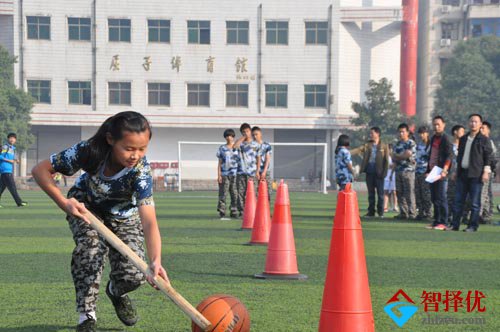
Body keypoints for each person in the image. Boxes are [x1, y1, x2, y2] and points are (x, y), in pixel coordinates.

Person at [31, 111, 169, 331]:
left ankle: (116, 290)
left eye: (142, 149)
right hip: (86, 207)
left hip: (124, 216)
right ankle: (86, 317)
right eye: (129, 148)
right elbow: (40, 170)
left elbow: (149, 221)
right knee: (91, 249)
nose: (135, 155)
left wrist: (156, 260)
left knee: (135, 275)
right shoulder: (89, 151)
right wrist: (63, 203)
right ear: (111, 139)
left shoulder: (141, 172)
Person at [448, 114, 493, 232]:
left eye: (476, 122)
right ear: (468, 123)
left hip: (476, 175)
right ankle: (454, 225)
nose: (473, 123)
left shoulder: (484, 140)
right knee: (458, 201)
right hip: (462, 173)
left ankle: (472, 226)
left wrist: (486, 172)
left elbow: (487, 157)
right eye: (471, 121)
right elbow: (459, 157)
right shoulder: (463, 139)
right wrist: (456, 171)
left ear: (480, 124)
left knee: (474, 203)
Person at [350, 127, 390, 217]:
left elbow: (386, 161)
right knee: (371, 194)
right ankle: (371, 212)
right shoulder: (367, 145)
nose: (370, 135)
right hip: (369, 171)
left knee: (380, 194)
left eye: (372, 133)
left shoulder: (384, 146)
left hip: (379, 173)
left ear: (377, 134)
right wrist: (347, 152)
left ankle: (381, 213)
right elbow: (358, 150)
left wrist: (384, 173)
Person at [424, 116, 453, 230]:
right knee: (434, 198)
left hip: (441, 172)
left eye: (438, 124)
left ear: (443, 125)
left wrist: (445, 170)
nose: (436, 127)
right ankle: (436, 221)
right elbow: (431, 155)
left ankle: (444, 222)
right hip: (432, 172)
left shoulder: (445, 138)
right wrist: (428, 170)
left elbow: (449, 155)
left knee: (441, 197)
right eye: (434, 124)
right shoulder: (433, 138)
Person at [234, 123, 260, 216]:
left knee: (253, 192)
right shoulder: (240, 143)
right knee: (241, 192)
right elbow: (235, 146)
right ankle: (242, 211)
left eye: (247, 131)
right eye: (244, 132)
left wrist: (257, 171)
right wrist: (242, 138)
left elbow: (258, 158)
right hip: (241, 172)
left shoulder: (256, 144)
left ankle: (254, 211)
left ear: (251, 131)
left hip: (252, 173)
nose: (246, 133)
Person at [392, 123, 417, 219]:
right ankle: (403, 212)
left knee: (409, 192)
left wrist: (399, 156)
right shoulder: (397, 144)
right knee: (399, 192)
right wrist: (401, 156)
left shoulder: (411, 143)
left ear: (407, 132)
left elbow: (408, 155)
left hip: (408, 171)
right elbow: (393, 158)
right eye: (399, 132)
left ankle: (412, 213)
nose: (401, 134)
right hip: (398, 170)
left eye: (403, 132)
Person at [0, 133, 28, 207]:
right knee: (12, 187)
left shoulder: (12, 148)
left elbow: (10, 158)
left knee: (1, 188)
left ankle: (19, 202)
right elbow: (0, 156)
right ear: (8, 139)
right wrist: (9, 161)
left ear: (15, 140)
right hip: (5, 170)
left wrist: (16, 159)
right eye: (10, 138)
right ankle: (19, 202)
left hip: (7, 170)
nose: (12, 139)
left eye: (14, 138)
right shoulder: (5, 147)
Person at [216, 129, 239, 219]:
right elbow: (219, 163)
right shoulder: (222, 148)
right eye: (227, 136)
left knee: (234, 193)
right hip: (225, 174)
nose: (229, 138)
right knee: (223, 193)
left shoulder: (238, 148)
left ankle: (234, 210)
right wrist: (219, 175)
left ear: (233, 137)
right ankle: (222, 210)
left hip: (235, 174)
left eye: (230, 136)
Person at [479, 121, 497, 223]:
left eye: (483, 128)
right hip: (479, 172)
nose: (481, 130)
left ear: (488, 130)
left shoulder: (489, 142)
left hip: (487, 172)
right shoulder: (479, 141)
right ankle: (484, 215)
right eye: (480, 128)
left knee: (486, 194)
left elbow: (493, 158)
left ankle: (486, 215)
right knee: (483, 194)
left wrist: (491, 169)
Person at [447, 125, 465, 224]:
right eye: (461, 131)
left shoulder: (465, 145)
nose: (463, 133)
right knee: (450, 196)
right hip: (450, 174)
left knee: (461, 197)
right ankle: (449, 216)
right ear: (455, 132)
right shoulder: (449, 145)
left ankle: (460, 216)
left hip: (462, 175)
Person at [415, 126, 432, 220]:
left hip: (426, 172)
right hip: (417, 171)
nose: (421, 135)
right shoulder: (419, 145)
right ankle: (421, 213)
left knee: (426, 194)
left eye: (423, 133)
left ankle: (428, 213)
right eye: (420, 133)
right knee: (418, 193)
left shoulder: (430, 145)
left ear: (427, 133)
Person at [252, 126, 273, 200]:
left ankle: (266, 209)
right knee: (254, 192)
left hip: (265, 171)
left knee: (268, 191)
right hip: (254, 172)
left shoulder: (267, 146)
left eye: (256, 134)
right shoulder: (252, 146)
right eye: (253, 135)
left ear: (260, 134)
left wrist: (264, 171)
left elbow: (267, 159)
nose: (255, 136)